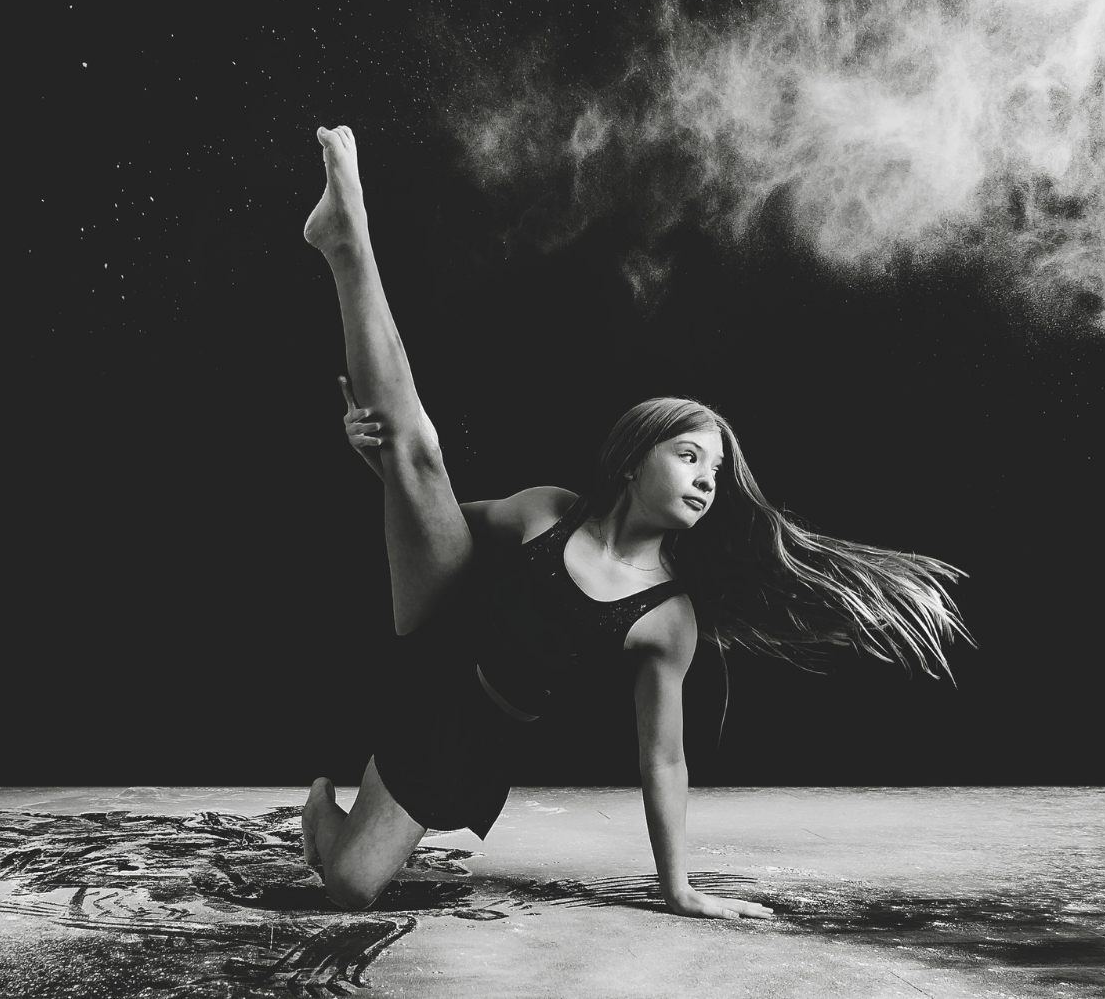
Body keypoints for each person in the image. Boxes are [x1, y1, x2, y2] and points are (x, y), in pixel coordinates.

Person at [298, 125, 969, 916]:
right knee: (421, 452)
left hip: (469, 731)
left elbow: (664, 761)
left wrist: (678, 888)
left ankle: (320, 816)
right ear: (634, 458)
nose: (704, 480)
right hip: (444, 618)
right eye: (690, 456)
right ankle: (346, 239)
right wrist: (375, 456)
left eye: (715, 473)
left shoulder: (665, 616)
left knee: (348, 884)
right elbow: (432, 518)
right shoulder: (549, 509)